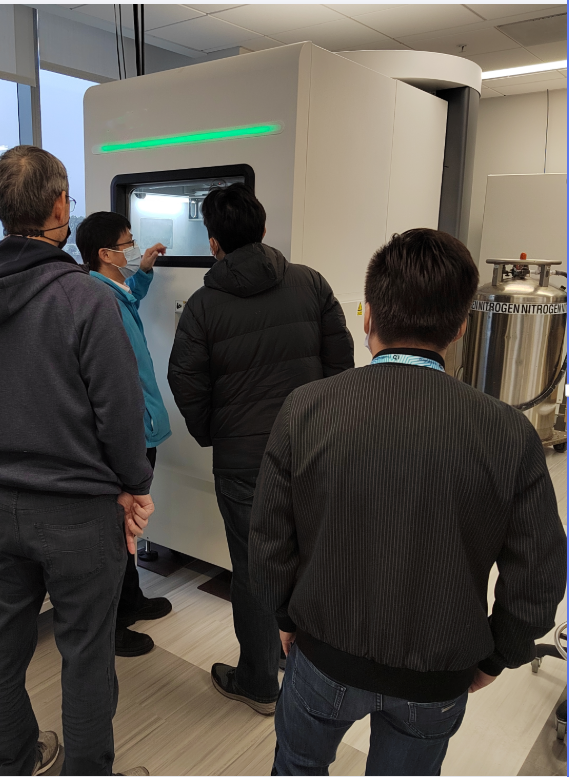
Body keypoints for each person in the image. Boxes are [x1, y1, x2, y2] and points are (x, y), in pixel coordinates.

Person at [250, 228, 567, 776]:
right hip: (437, 675)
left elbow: (269, 540)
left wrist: (282, 613)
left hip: (323, 653)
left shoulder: (306, 409)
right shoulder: (509, 433)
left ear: (368, 316)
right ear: (462, 326)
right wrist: (500, 654)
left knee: (297, 766)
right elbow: (539, 572)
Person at [0, 146, 153, 777]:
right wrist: (134, 484)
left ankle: (14, 759)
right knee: (86, 653)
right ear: (59, 207)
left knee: (2, 638)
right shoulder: (85, 298)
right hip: (82, 514)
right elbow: (120, 414)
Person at [167, 182, 354, 716]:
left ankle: (257, 681)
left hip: (244, 463)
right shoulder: (311, 283)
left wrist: (216, 432)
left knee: (253, 571)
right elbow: (341, 364)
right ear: (265, 228)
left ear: (213, 242)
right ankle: (305, 666)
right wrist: (326, 427)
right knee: (308, 556)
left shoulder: (203, 305)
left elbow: (185, 381)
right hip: (312, 452)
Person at [76, 211, 174, 658]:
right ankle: (112, 626)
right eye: (128, 244)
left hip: (140, 428)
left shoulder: (110, 290)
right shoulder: (98, 299)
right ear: (105, 254)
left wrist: (146, 271)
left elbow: (130, 294)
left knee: (128, 525)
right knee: (119, 530)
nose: (133, 249)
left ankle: (131, 600)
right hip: (128, 433)